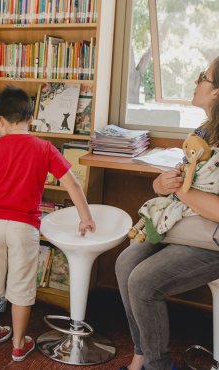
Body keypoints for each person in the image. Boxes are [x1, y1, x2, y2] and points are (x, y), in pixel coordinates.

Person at [0, 86, 96, 362]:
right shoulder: (44, 147)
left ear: (0, 120)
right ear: (30, 118)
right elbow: (71, 183)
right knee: (22, 286)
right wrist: (85, 216)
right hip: (24, 227)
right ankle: (18, 343)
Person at [116, 57, 219, 370]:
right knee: (125, 263)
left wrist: (181, 191)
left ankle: (157, 365)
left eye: (203, 76)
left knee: (143, 282)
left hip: (210, 238)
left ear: (216, 92)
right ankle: (142, 355)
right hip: (186, 226)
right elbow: (180, 181)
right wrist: (162, 184)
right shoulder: (205, 131)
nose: (196, 80)